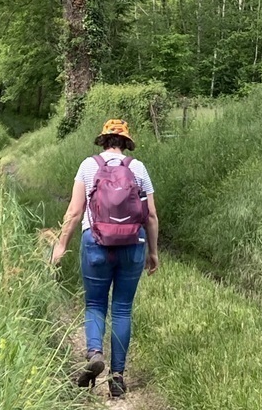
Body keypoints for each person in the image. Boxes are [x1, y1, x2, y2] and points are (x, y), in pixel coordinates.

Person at [51, 119, 159, 398]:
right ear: (125, 142)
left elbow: (74, 212)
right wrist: (153, 252)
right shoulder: (138, 168)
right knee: (122, 308)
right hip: (132, 245)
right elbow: (151, 216)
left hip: (96, 243)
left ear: (104, 139)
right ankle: (118, 376)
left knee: (95, 304)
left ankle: (95, 352)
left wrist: (61, 245)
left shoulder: (89, 166)